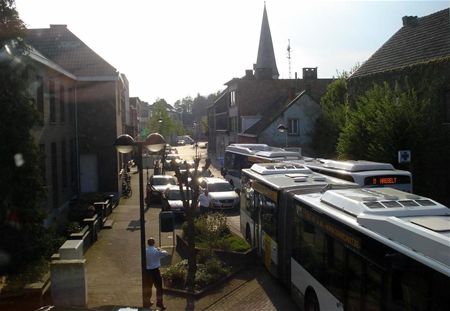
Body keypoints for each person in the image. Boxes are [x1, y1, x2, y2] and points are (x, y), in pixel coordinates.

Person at [145, 237, 168, 309]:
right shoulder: (156, 251)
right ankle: (159, 303)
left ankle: (147, 302)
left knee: (148, 287)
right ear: (154, 243)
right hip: (155, 271)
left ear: (148, 243)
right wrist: (160, 249)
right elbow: (166, 253)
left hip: (148, 272)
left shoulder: (145, 251)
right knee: (159, 288)